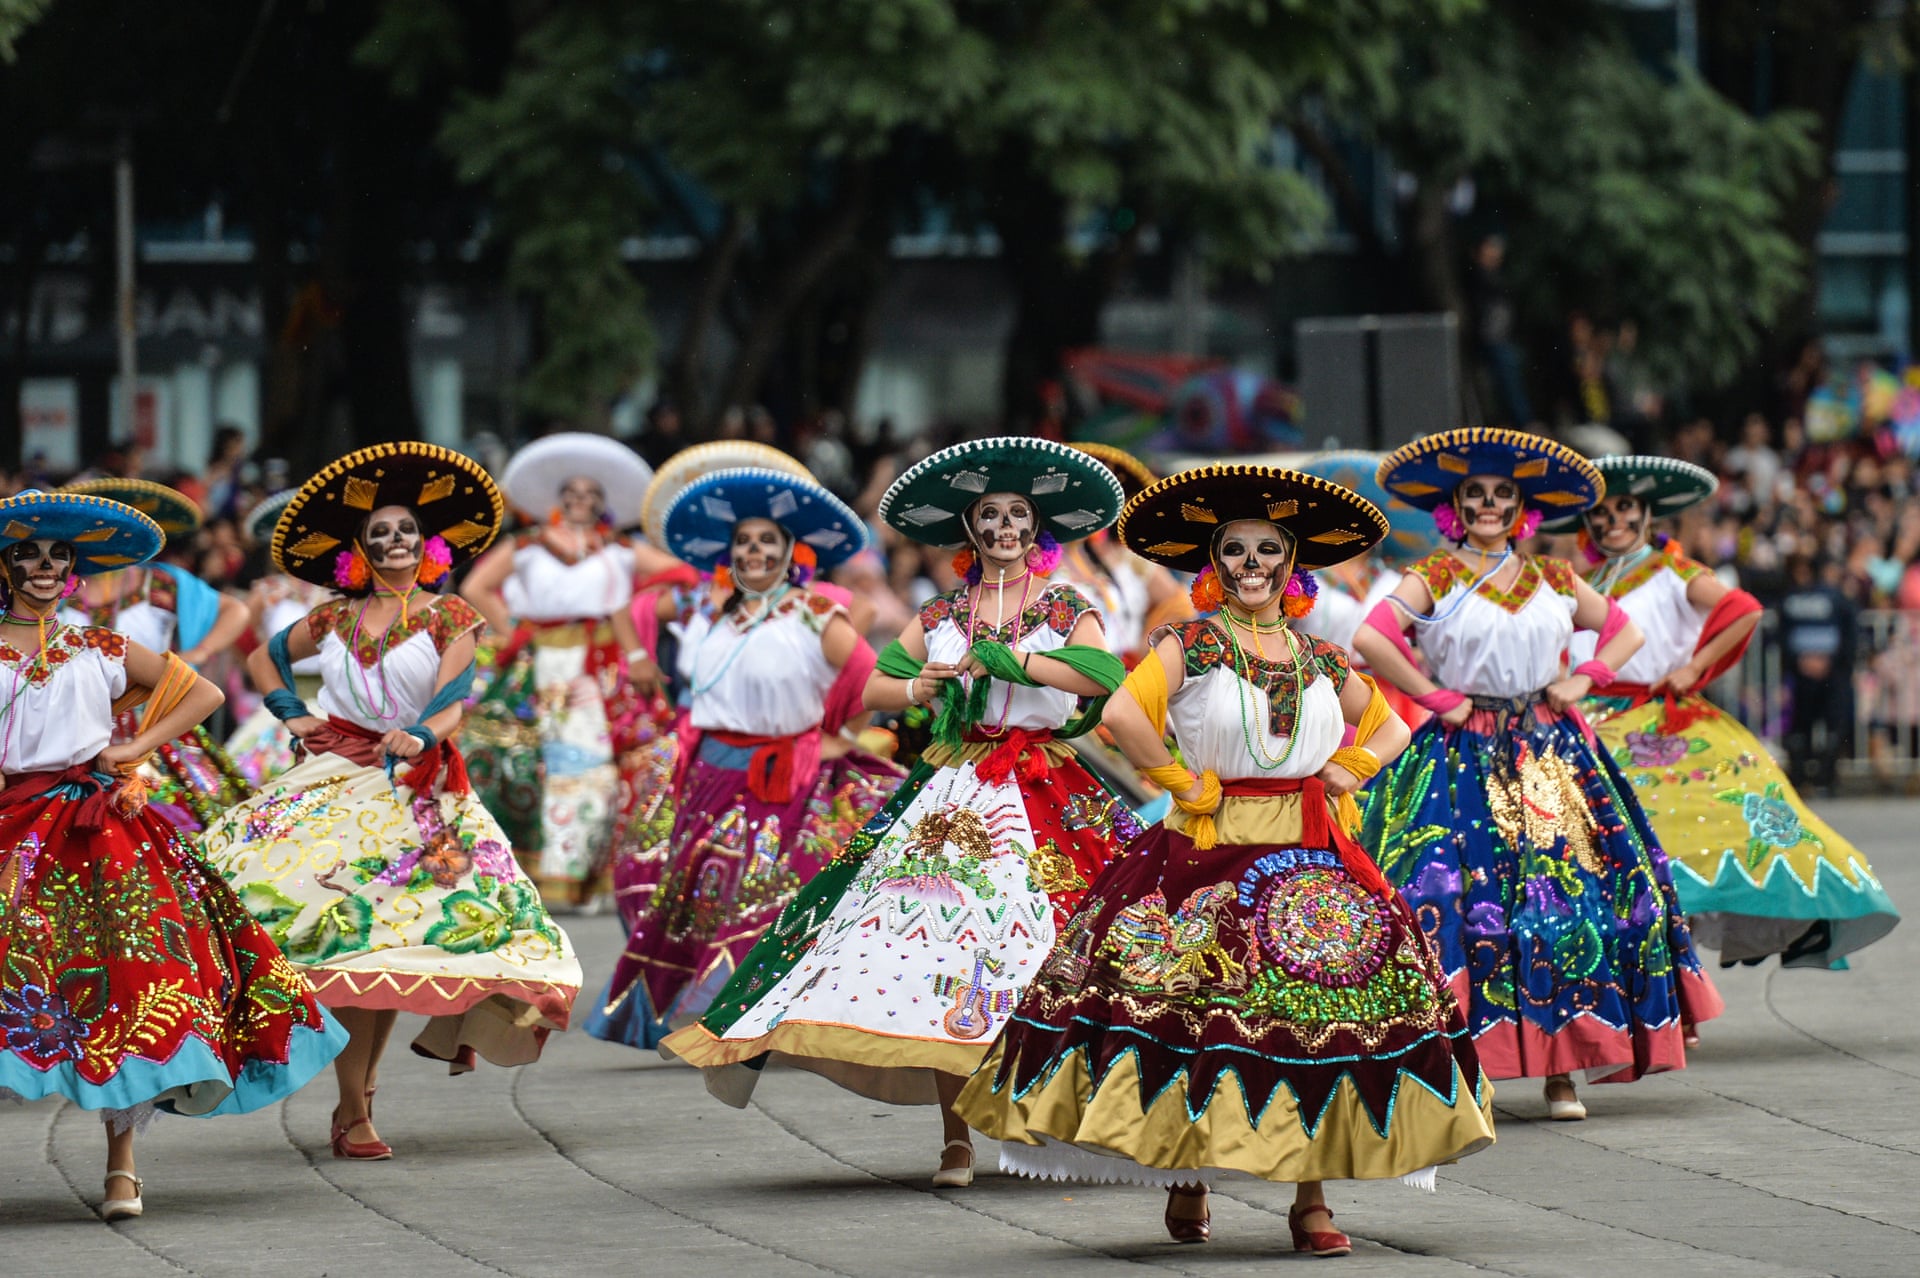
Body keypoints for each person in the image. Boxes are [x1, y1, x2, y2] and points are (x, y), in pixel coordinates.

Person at [955, 464, 1495, 1253]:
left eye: (1267, 550)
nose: (1252, 565)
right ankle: (1188, 1174)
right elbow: (1121, 711)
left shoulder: (1322, 656)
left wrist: (1352, 766)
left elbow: (1390, 726)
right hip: (1206, 847)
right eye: (1235, 550)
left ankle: (1311, 1201)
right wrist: (1178, 780)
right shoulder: (1192, 643)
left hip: (1311, 851)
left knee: (1321, 1022)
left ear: (1291, 564)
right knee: (1193, 1014)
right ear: (1215, 564)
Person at [661, 438, 1136, 1189]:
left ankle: (1063, 1117)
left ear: (1036, 529)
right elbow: (874, 688)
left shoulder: (1065, 605)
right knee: (934, 955)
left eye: (1017, 515)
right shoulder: (944, 610)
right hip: (952, 788)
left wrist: (1008, 662)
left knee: (1074, 950)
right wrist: (926, 686)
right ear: (969, 531)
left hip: (1045, 783)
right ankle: (958, 1141)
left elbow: (1102, 675)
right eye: (989, 516)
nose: (1004, 527)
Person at [196, 443, 582, 1160]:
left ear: (426, 543)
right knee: (342, 934)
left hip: (416, 791)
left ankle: (357, 1106)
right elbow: (261, 657)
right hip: (333, 779)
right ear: (360, 551)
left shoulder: (452, 616)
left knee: (395, 948)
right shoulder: (336, 618)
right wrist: (291, 710)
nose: (395, 543)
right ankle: (353, 1108)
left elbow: (452, 705)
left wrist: (418, 735)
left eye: (405, 532)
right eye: (380, 536)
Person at [1356, 428, 1722, 1122]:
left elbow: (1624, 630)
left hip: (1548, 754)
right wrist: (1434, 695)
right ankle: (1470, 1066)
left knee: (1565, 899)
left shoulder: (1554, 576)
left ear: (1521, 507)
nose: (1489, 505)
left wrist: (1586, 676)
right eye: (1475, 495)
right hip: (1462, 755)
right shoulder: (1433, 576)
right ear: (1454, 507)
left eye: (1501, 495)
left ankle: (1563, 1071)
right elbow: (1371, 638)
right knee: (1454, 903)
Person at [0, 491, 345, 1218]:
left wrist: (130, 748)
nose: (42, 566)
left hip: (98, 829)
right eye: (28, 553)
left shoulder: (99, 646)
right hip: (12, 828)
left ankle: (122, 1167)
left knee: (133, 986)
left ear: (71, 570)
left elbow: (202, 690)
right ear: (5, 565)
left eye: (57, 556)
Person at [590, 465, 902, 1049]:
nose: (754, 551)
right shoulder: (711, 608)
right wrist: (635, 654)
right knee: (695, 895)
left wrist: (837, 732)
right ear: (729, 554)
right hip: (707, 771)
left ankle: (767, 1014)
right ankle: (710, 1010)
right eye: (744, 541)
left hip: (787, 774)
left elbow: (870, 676)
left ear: (791, 553)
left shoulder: (813, 611)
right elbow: (624, 607)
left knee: (776, 890)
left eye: (768, 541)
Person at [1557, 456, 1898, 971]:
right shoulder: (1585, 582)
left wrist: (1694, 670)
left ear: (1647, 514)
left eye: (1625, 507)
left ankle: (1686, 968)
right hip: (1591, 726)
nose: (1612, 521)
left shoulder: (1670, 571)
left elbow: (1743, 609)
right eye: (1600, 513)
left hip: (1658, 721)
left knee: (1706, 834)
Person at [460, 432, 673, 909]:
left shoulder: (618, 549)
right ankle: (529, 869)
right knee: (523, 760)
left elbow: (680, 576)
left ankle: (582, 878)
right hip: (541, 664)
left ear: (602, 504)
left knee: (591, 766)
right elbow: (477, 586)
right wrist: (515, 629)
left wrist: (635, 616)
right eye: (572, 495)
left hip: (599, 665)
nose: (580, 502)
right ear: (558, 501)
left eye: (590, 496)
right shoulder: (529, 545)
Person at [58, 478, 254, 831]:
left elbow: (235, 610)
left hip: (158, 729)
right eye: (92, 527)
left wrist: (199, 652)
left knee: (186, 832)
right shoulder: (51, 588)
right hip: (71, 733)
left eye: (118, 527)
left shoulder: (162, 583)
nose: (105, 535)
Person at [224, 489, 330, 785]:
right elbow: (237, 632)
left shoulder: (340, 591)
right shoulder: (269, 591)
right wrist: (260, 674)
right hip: (283, 702)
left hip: (332, 702)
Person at [1060, 443, 1192, 664]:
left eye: (1092, 499)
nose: (1086, 508)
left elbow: (1177, 604)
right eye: (1073, 498)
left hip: (1127, 683)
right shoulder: (1035, 563)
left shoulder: (1117, 554)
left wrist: (1139, 654)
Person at [1777, 554, 1858, 795]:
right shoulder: (1834, 598)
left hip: (1827, 671)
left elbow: (1848, 633)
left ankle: (1820, 778)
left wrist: (1823, 661)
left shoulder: (1795, 598)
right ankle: (1810, 778)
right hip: (1815, 671)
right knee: (1804, 728)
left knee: (1826, 727)